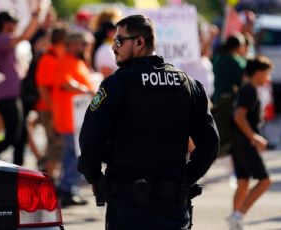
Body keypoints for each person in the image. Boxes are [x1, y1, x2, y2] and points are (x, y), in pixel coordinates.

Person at [78, 15, 219, 229]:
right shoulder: (188, 85)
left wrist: (96, 178)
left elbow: (90, 140)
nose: (113, 48)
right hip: (172, 205)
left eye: (118, 41)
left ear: (139, 42)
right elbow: (210, 143)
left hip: (127, 206)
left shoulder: (115, 86)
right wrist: (186, 178)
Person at [0, 8, 41, 165]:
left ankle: (18, 167)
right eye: (14, 23)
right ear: (6, 24)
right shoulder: (1, 39)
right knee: (12, 137)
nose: (16, 26)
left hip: (11, 94)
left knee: (20, 135)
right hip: (7, 95)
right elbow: (25, 36)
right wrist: (36, 16)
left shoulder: (1, 39)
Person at [227, 56, 273, 230]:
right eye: (267, 74)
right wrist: (254, 137)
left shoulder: (246, 88)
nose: (268, 78)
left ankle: (235, 223)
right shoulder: (250, 91)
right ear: (259, 73)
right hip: (246, 143)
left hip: (238, 143)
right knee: (265, 181)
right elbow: (239, 116)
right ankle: (237, 216)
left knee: (243, 182)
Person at [53, 32, 95, 207]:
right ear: (70, 44)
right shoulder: (66, 61)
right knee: (77, 154)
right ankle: (67, 188)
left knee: (72, 155)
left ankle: (66, 188)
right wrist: (88, 91)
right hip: (70, 118)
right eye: (81, 44)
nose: (84, 47)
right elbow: (66, 83)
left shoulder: (77, 61)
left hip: (76, 118)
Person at [35, 26, 67, 179]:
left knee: (54, 146)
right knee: (56, 145)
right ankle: (48, 181)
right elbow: (43, 88)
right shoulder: (49, 58)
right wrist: (54, 110)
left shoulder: (59, 56)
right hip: (50, 110)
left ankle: (49, 178)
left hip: (56, 109)